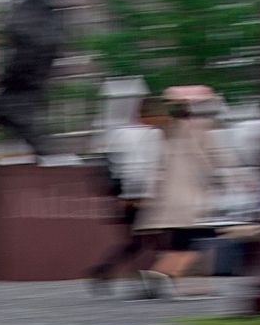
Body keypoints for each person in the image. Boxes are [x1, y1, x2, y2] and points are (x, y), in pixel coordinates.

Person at [135, 86, 218, 298]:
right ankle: (161, 273)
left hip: (171, 201)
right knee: (194, 242)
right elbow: (209, 160)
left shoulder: (165, 134)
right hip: (189, 200)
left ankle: (164, 274)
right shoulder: (195, 130)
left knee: (184, 241)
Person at [87, 96, 165, 293]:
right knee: (151, 241)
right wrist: (141, 196)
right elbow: (142, 168)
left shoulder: (121, 133)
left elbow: (116, 165)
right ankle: (146, 281)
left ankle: (106, 271)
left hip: (124, 196)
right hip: (140, 198)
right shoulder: (153, 135)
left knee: (136, 243)